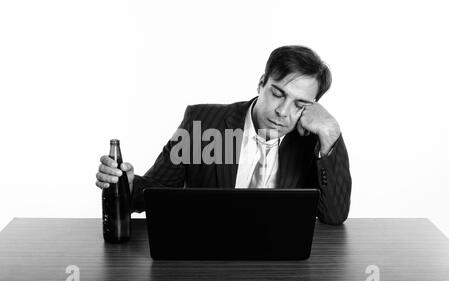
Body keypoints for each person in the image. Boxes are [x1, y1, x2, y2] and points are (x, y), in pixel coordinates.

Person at [96, 45, 351, 225]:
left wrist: (331, 135)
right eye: (278, 93)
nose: (283, 112)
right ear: (262, 83)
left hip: (279, 262)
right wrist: (128, 186)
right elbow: (157, 191)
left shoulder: (310, 141)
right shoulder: (204, 124)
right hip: (206, 256)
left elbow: (334, 216)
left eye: (300, 104)